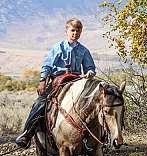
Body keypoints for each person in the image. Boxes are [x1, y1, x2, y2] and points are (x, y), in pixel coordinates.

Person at [15, 18, 96, 148]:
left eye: (78, 30)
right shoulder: (58, 47)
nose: (75, 33)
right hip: (58, 81)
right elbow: (47, 65)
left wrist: (90, 72)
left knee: (94, 101)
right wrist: (43, 81)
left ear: (81, 32)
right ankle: (27, 133)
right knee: (41, 102)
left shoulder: (84, 51)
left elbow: (90, 67)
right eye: (72, 30)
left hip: (76, 81)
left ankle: (96, 139)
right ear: (67, 31)